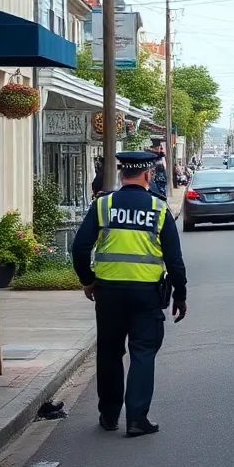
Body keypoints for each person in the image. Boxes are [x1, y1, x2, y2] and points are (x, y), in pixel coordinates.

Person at [71, 151, 187, 437]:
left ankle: (109, 415)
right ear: (148, 175)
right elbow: (174, 260)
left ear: (122, 175)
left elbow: (80, 247)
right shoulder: (159, 209)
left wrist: (88, 281)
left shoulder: (103, 205)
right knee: (143, 353)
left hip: (108, 293)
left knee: (109, 353)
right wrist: (180, 296)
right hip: (146, 295)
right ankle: (137, 419)